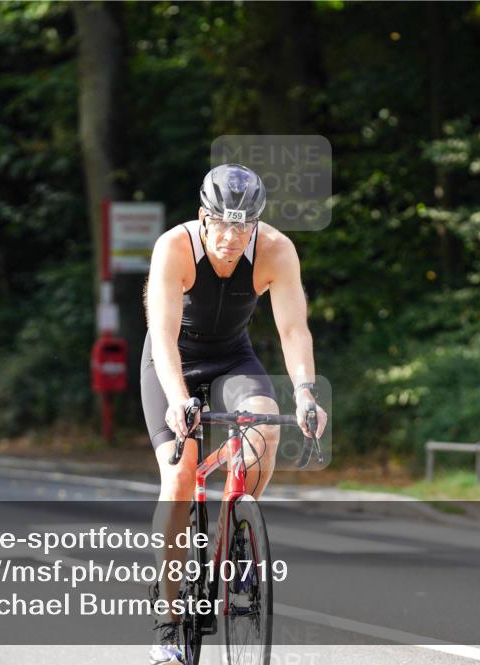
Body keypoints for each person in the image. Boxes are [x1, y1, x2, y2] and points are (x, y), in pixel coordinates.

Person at [141, 163, 329, 664]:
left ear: (256, 225)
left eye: (242, 226)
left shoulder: (275, 251)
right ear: (203, 218)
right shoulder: (174, 247)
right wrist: (180, 398)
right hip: (172, 360)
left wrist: (306, 392)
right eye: (221, 224)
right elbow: (161, 335)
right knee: (180, 478)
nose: (230, 237)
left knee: (264, 429)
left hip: (232, 358)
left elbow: (293, 331)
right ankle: (168, 616)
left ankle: (236, 534)